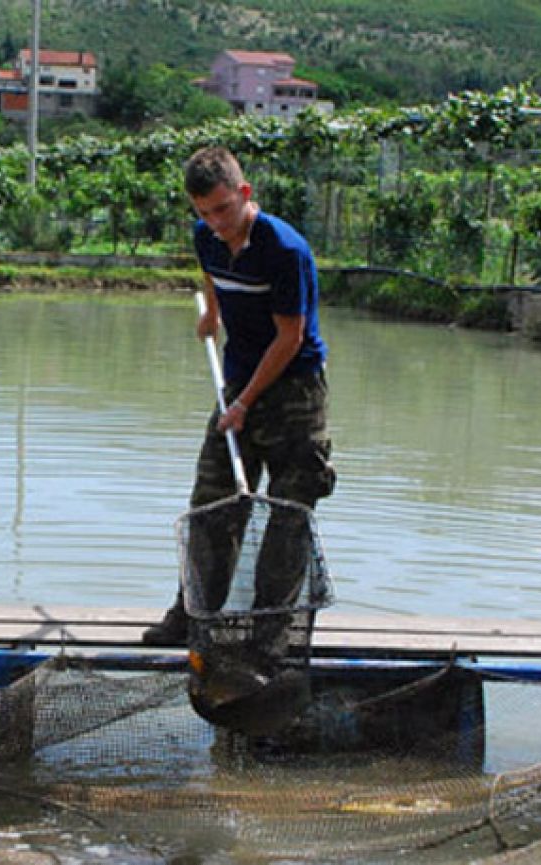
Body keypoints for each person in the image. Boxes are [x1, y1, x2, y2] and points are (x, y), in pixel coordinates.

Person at [143, 146, 335, 646]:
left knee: (286, 520)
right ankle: (193, 616)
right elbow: (212, 270)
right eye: (203, 213)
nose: (216, 223)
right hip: (238, 386)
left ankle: (267, 635)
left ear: (245, 194)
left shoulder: (285, 251)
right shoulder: (206, 237)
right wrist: (213, 314)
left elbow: (288, 339)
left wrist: (244, 403)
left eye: (224, 210)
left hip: (293, 393)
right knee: (212, 507)